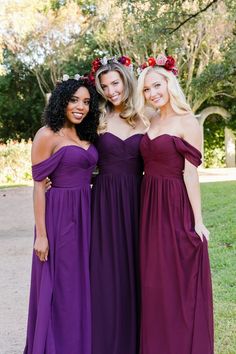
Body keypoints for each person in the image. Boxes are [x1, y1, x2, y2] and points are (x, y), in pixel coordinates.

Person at [136, 55, 214, 354]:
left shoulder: (187, 121)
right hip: (149, 207)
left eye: (157, 85)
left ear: (169, 84)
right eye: (146, 89)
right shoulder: (150, 120)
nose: (152, 93)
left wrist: (197, 221)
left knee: (174, 281)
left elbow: (191, 173)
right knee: (153, 283)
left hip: (174, 205)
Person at [24, 76, 99, 354]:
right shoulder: (47, 134)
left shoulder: (86, 135)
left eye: (87, 102)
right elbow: (39, 187)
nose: (81, 106)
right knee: (61, 286)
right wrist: (42, 235)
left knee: (81, 284)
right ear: (61, 102)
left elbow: (85, 173)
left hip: (86, 214)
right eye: (74, 100)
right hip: (60, 219)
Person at [89, 56, 146, 354]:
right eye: (105, 86)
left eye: (115, 83)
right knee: (107, 275)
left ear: (126, 80)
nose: (111, 91)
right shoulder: (95, 119)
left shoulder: (147, 117)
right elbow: (74, 151)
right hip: (106, 204)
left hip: (140, 201)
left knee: (139, 271)